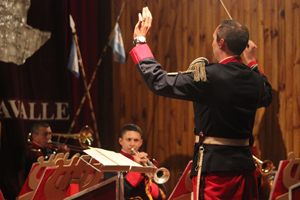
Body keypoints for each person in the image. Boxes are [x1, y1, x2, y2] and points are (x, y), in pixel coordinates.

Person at [129, 7, 272, 200]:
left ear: (221, 43)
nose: (212, 43)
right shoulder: (255, 78)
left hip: (215, 171)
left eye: (214, 39)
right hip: (246, 169)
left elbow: (159, 81)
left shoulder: (207, 76)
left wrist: (140, 41)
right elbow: (267, 95)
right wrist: (253, 62)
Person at [104, 124, 166, 200]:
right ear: (120, 141)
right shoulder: (111, 162)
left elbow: (162, 195)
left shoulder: (147, 161)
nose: (132, 144)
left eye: (136, 140)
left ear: (141, 143)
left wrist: (149, 184)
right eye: (128, 140)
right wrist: (137, 169)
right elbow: (115, 193)